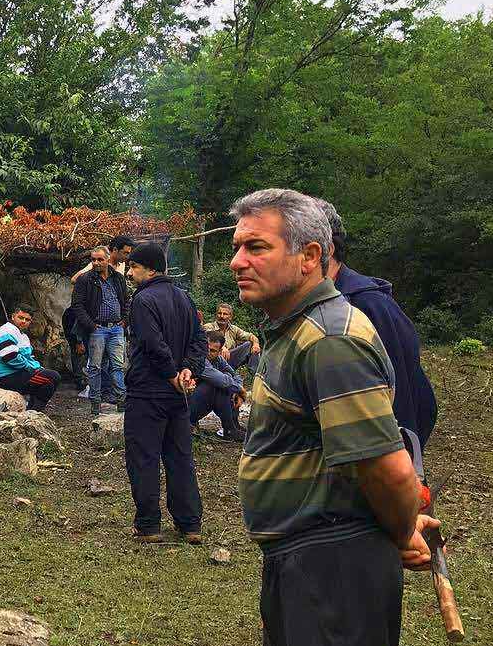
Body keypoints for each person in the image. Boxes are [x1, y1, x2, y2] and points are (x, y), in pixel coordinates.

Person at [229, 188, 440, 646]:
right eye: (237, 248)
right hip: (306, 561)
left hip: (332, 568)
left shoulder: (330, 340)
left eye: (256, 247)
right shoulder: (297, 330)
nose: (237, 262)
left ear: (309, 257)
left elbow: (388, 470)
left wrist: (403, 528)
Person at [318, 199, 438, 446]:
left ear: (324, 250)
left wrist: (399, 469)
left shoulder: (369, 307)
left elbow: (408, 398)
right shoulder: (308, 308)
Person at [123, 242, 207, 544]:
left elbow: (152, 343)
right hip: (178, 395)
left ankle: (148, 525)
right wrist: (189, 370)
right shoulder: (185, 299)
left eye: (134, 267)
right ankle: (190, 524)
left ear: (152, 269)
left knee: (144, 457)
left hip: (148, 391)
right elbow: (200, 340)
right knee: (180, 457)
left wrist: (173, 374)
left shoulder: (143, 300)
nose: (130, 273)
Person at [68, 245, 129, 415]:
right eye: (93, 259)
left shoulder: (118, 278)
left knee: (118, 366)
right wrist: (90, 325)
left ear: (108, 259)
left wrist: (124, 321)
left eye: (100, 259)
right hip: (97, 329)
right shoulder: (85, 279)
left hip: (116, 328)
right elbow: (77, 305)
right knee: (95, 367)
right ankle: (95, 405)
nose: (96, 263)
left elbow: (126, 301)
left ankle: (121, 403)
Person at [0, 304, 59, 411]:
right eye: (20, 318)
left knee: (48, 384)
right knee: (53, 377)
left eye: (27, 319)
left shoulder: (23, 336)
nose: (23, 321)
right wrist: (31, 368)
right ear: (13, 316)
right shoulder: (6, 330)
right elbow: (10, 357)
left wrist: (38, 367)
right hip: (7, 376)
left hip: (19, 373)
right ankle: (33, 412)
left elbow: (29, 357)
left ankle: (32, 412)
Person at [188, 330, 246, 443]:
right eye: (207, 348)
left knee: (228, 378)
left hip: (196, 405)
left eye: (213, 351)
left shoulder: (219, 359)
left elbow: (235, 374)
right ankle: (230, 429)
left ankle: (232, 426)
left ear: (220, 352)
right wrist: (240, 389)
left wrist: (238, 390)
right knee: (215, 384)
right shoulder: (199, 359)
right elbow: (221, 380)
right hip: (184, 408)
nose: (208, 352)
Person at [203, 303, 260, 368]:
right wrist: (222, 348)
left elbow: (251, 336)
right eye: (219, 313)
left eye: (225, 314)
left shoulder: (234, 329)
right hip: (213, 360)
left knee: (250, 345)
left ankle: (256, 375)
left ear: (230, 317)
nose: (221, 316)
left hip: (229, 360)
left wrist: (256, 344)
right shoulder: (208, 327)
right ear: (216, 315)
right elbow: (208, 338)